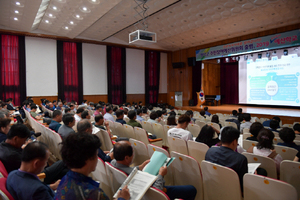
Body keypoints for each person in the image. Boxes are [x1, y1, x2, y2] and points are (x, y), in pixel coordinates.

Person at [111, 141, 197, 200]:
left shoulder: (113, 163)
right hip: (150, 193)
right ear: (126, 158)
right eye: (132, 154)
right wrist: (161, 175)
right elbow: (156, 192)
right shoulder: (136, 177)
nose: (133, 155)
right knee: (191, 189)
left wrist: (140, 167)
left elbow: (128, 170)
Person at [55, 133, 129, 200]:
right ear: (88, 159)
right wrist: (122, 198)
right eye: (96, 155)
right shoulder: (92, 193)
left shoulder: (64, 180)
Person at [205, 126, 248, 191]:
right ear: (234, 141)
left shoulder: (210, 151)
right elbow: (242, 185)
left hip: (211, 187)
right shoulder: (241, 159)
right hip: (232, 191)